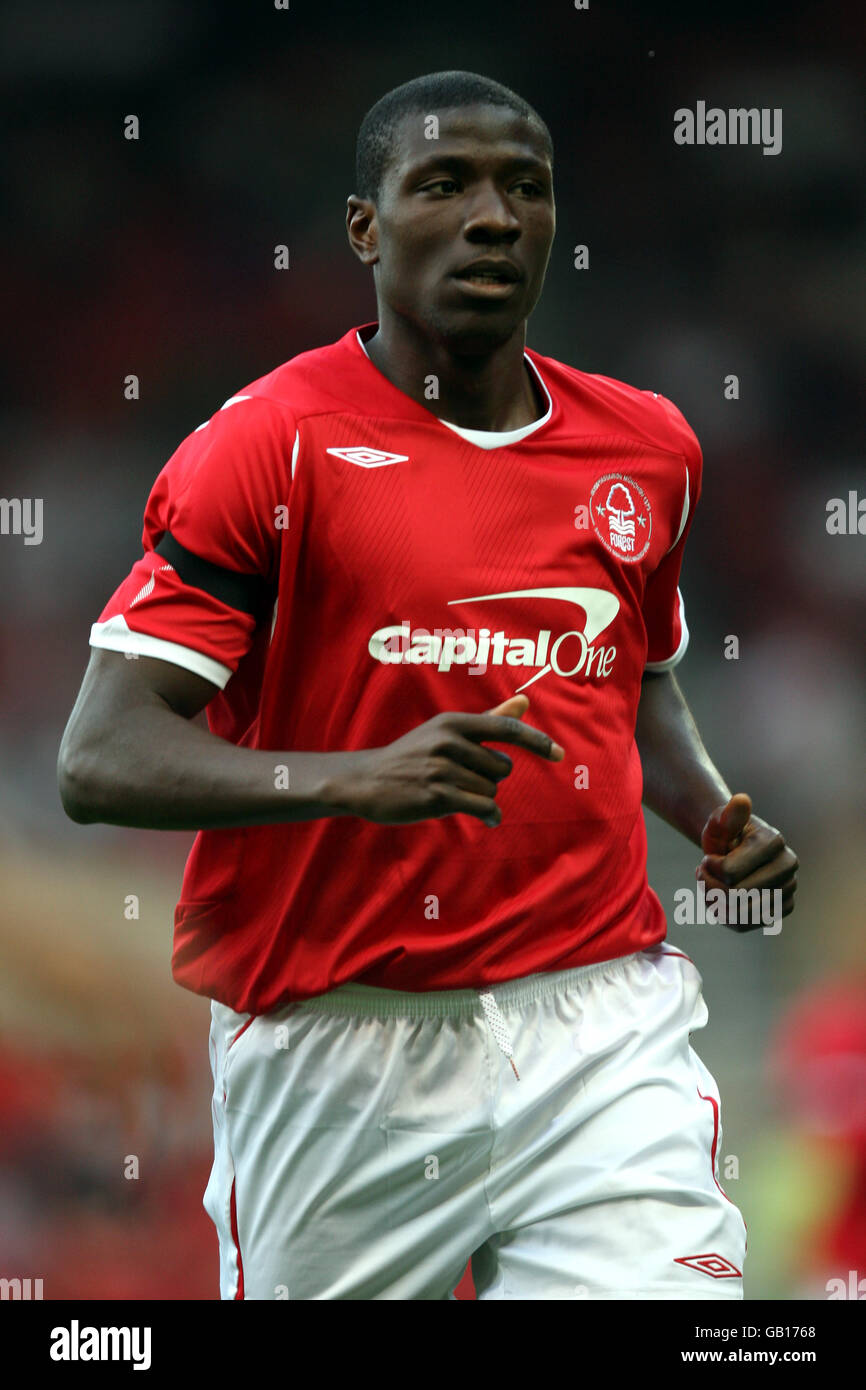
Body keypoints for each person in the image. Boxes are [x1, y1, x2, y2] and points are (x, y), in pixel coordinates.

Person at [58, 70, 799, 1300]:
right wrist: (350, 779)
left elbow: (630, 682)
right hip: (336, 1037)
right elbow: (98, 757)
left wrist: (714, 816)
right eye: (445, 183)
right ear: (365, 225)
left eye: (524, 188)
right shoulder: (267, 443)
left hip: (596, 1018)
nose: (494, 216)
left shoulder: (646, 447)